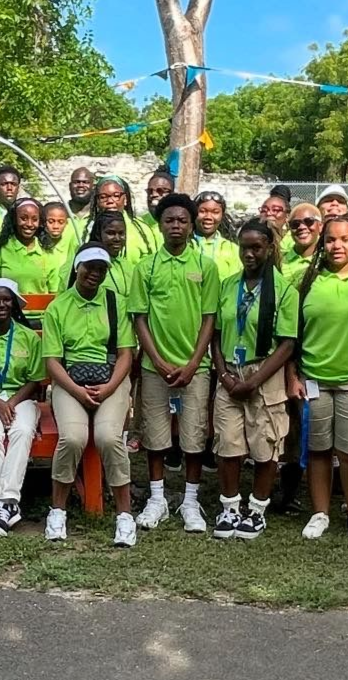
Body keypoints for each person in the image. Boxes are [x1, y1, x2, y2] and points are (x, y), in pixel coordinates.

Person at [291, 216, 348, 542]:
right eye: (331, 239)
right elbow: (291, 336)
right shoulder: (306, 284)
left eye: (345, 239)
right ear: (322, 243)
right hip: (314, 379)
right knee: (318, 450)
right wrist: (294, 375)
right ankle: (320, 513)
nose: (337, 246)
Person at [132, 194, 220, 533]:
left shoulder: (205, 267)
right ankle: (157, 499)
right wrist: (156, 359)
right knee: (155, 435)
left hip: (194, 368)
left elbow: (210, 319)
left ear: (192, 223)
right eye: (170, 220)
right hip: (157, 367)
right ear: (160, 224)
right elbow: (139, 317)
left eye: (183, 220)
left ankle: (191, 500)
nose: (176, 226)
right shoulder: (146, 266)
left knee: (194, 435)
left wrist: (194, 362)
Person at [43, 244, 137, 546]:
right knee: (73, 438)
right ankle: (57, 511)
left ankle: (124, 515)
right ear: (76, 268)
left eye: (101, 269)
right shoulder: (58, 307)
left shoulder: (115, 303)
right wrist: (76, 391)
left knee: (109, 436)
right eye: (89, 267)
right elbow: (53, 361)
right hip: (71, 382)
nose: (94, 274)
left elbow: (125, 354)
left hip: (109, 380)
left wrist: (109, 388)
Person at [210, 218, 298, 540]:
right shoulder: (228, 285)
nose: (249, 254)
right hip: (231, 373)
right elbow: (216, 335)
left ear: (270, 248)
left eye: (256, 247)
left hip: (265, 374)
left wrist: (253, 381)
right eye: (244, 247)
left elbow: (287, 342)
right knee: (228, 442)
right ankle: (230, 506)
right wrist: (224, 374)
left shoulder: (284, 290)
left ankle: (257, 509)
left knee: (266, 443)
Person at [0, 278, 45, 535]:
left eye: (6, 299)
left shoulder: (27, 336)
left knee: (22, 431)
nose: (1, 304)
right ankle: (6, 503)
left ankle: (1, 501)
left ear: (14, 303)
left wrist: (11, 403)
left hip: (22, 398)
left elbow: (36, 379)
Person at [0, 198, 56, 296]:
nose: (29, 224)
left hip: (41, 311)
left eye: (34, 219)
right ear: (14, 219)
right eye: (23, 218)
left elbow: (54, 291)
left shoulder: (47, 251)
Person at [87, 175, 155, 265]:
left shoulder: (142, 230)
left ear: (125, 199)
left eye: (116, 196)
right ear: (97, 201)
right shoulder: (85, 229)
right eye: (103, 197)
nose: (110, 201)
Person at [194, 190, 241, 278]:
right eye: (202, 211)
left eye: (215, 212)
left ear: (222, 215)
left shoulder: (234, 250)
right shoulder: (183, 245)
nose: (208, 217)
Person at [282, 203, 322, 282]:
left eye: (309, 221)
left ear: (320, 226)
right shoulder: (280, 262)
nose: (301, 227)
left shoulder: (327, 259)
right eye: (295, 224)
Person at [141, 170, 175, 248]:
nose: (153, 194)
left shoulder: (181, 224)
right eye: (150, 191)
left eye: (161, 191)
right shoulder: (138, 224)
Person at [43, 202, 73, 277]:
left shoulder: (71, 240)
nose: (56, 226)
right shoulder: (35, 244)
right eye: (51, 221)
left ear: (66, 223)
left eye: (61, 222)